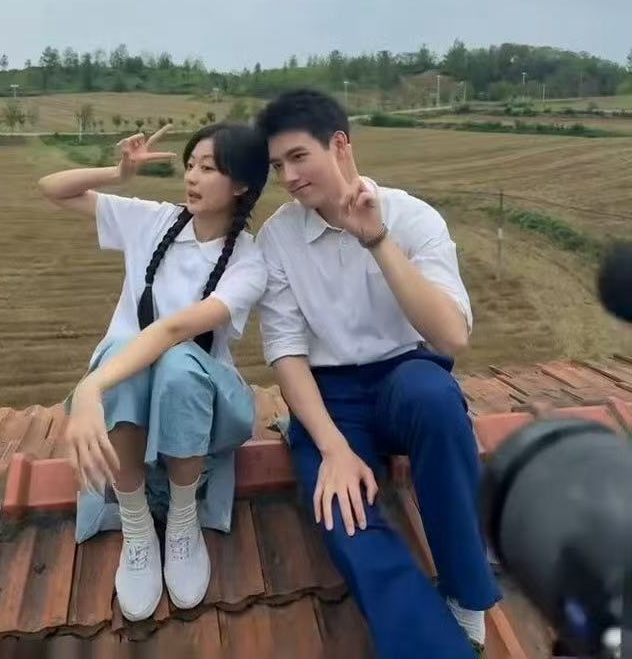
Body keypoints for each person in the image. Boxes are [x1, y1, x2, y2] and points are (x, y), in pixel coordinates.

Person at [255, 90, 501, 659]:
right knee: (342, 514)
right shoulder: (278, 238)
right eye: (276, 166)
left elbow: (451, 336)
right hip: (329, 398)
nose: (288, 178)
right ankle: (434, 648)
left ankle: (466, 591)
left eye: (298, 157)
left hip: (406, 376)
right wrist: (334, 448)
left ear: (340, 145)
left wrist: (377, 240)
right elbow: (286, 353)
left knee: (435, 399)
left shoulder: (412, 217)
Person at [38, 122, 269, 622]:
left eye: (208, 168)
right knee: (126, 354)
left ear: (241, 185)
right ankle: (137, 525)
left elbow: (173, 330)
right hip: (132, 392)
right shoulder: (153, 221)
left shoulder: (249, 261)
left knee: (178, 363)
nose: (192, 176)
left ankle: (183, 520)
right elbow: (52, 188)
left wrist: (90, 387)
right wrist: (118, 173)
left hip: (209, 404)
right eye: (190, 165)